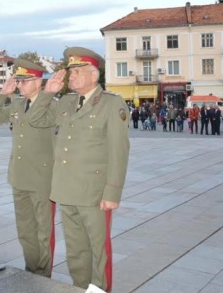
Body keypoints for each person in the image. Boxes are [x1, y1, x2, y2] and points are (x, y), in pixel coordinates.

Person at [29, 47, 130, 292]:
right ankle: (80, 287)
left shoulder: (111, 104)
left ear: (93, 75)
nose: (70, 76)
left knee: (99, 249)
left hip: (94, 192)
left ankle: (100, 290)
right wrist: (47, 93)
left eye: (76, 71)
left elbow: (119, 151)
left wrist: (112, 193)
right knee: (75, 249)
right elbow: (36, 120)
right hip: (66, 189)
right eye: (70, 71)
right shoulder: (65, 101)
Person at [0, 59, 56, 277]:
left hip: (42, 178)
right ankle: (31, 268)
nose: (20, 85)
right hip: (18, 176)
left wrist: (45, 96)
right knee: (25, 229)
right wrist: (2, 94)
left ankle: (43, 274)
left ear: (38, 82)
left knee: (44, 230)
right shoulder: (17, 104)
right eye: (18, 81)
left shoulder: (52, 105)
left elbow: (37, 121)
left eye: (24, 81)